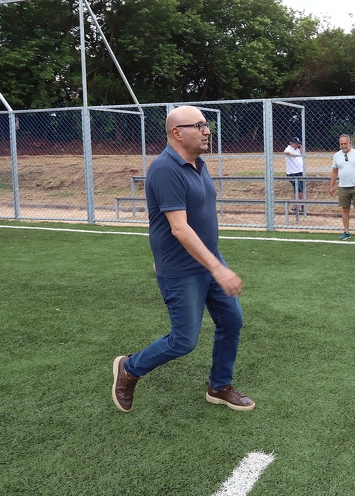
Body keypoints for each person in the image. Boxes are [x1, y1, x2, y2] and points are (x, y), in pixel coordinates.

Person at [111, 106, 254, 413]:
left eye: (206, 125)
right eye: (199, 125)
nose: (207, 130)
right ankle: (129, 368)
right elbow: (178, 228)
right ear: (177, 132)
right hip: (182, 270)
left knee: (232, 321)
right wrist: (218, 269)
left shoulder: (198, 164)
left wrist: (215, 262)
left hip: (209, 260)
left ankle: (219, 386)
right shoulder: (165, 169)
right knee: (183, 341)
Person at [328, 134, 355, 241]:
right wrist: (331, 186)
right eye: (341, 144)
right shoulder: (336, 155)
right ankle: (346, 232)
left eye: (345, 144)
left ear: (349, 143)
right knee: (345, 209)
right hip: (343, 187)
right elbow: (334, 172)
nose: (343, 146)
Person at [283, 136, 304, 208]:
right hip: (292, 173)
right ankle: (303, 205)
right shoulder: (289, 148)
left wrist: (300, 149)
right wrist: (290, 153)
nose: (298, 145)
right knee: (299, 189)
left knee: (297, 189)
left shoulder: (297, 149)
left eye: (299, 144)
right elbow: (285, 152)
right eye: (297, 143)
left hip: (300, 172)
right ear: (292, 143)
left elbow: (301, 154)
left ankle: (295, 206)